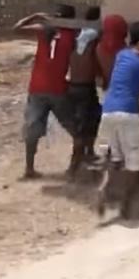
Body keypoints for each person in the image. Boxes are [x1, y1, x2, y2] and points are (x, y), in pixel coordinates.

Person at [96, 20, 139, 219]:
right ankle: (126, 205)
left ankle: (103, 188)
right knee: (134, 163)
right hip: (128, 113)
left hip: (108, 111)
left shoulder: (122, 54)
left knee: (114, 158)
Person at [13, 11, 77, 180]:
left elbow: (17, 28)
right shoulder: (70, 34)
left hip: (38, 89)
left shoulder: (43, 31)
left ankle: (29, 168)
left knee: (32, 130)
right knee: (75, 128)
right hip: (58, 89)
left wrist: (34, 15)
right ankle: (74, 168)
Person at [61, 26, 103, 178]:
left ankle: (87, 153)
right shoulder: (90, 52)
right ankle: (74, 165)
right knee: (83, 127)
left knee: (92, 118)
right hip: (85, 89)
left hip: (75, 88)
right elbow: (98, 72)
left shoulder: (75, 50)